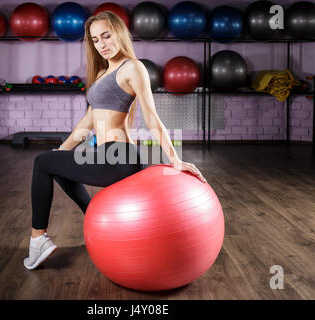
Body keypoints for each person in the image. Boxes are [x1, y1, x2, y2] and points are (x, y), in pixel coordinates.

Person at [24, 11, 206, 270]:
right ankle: (96, 222)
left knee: (43, 162)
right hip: (105, 152)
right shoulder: (100, 74)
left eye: (106, 36)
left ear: (119, 33)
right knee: (56, 164)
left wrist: (174, 159)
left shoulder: (133, 67)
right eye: (96, 40)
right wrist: (62, 149)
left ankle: (38, 239)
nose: (102, 44)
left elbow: (151, 117)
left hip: (121, 157)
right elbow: (88, 121)